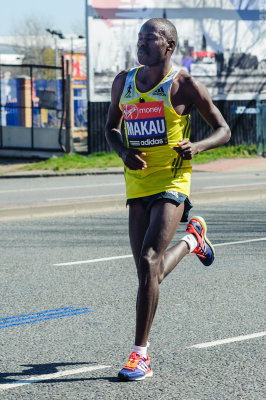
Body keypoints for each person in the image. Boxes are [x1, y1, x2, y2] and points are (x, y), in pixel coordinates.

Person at [105, 18, 231, 381]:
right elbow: (111, 128)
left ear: (169, 46)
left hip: (173, 180)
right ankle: (194, 240)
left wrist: (198, 145)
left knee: (148, 262)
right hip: (137, 182)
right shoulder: (124, 82)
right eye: (139, 38)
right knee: (149, 272)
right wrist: (122, 151)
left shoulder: (184, 85)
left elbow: (222, 129)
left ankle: (139, 355)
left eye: (150, 39)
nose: (141, 44)